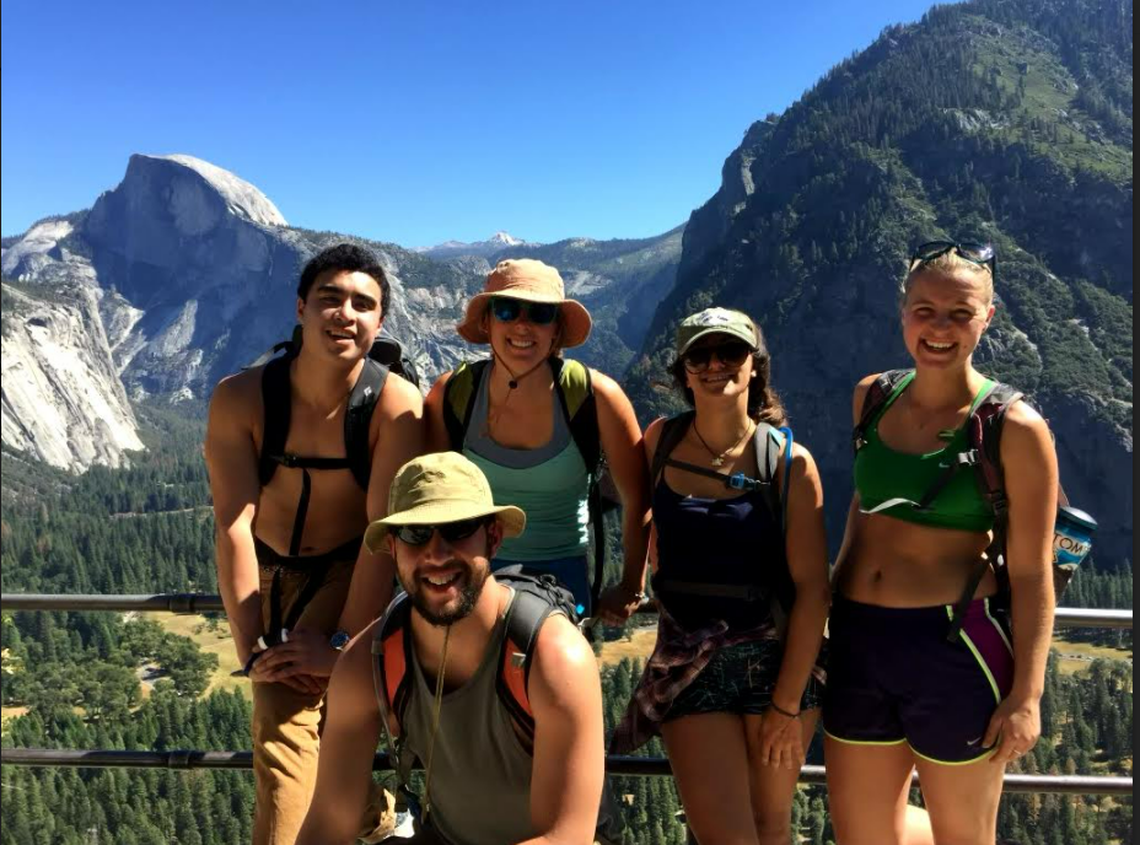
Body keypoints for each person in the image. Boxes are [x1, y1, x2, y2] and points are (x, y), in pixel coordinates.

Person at [824, 241, 1058, 845]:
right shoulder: (872, 397)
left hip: (956, 645)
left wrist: (1027, 696)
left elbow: (1032, 573)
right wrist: (829, 606)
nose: (939, 328)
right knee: (862, 836)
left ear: (988, 317)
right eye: (925, 310)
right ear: (903, 311)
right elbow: (864, 505)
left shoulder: (1014, 427)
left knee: (964, 836)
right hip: (858, 640)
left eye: (960, 313)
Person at [205, 243, 424, 845]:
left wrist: (341, 646)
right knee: (288, 697)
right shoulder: (241, 398)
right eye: (330, 298)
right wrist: (252, 645)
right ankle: (377, 816)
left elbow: (381, 537)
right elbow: (232, 524)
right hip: (264, 568)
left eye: (363, 304)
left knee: (283, 726)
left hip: (346, 570)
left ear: (380, 321)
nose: (345, 313)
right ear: (300, 308)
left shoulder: (395, 407)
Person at [296, 451, 605, 845]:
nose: (437, 554)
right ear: (393, 547)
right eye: (415, 534)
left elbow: (564, 837)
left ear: (493, 537)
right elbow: (328, 822)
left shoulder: (552, 657)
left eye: (458, 529)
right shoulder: (369, 661)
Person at [611, 307, 830, 845]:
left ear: (755, 366)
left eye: (730, 352)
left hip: (776, 665)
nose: (715, 365)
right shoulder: (660, 441)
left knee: (771, 828)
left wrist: (786, 704)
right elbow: (639, 512)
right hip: (688, 662)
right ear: (683, 372)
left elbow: (813, 591)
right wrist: (632, 581)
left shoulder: (790, 463)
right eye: (699, 356)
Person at [424, 258, 650, 621]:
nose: (522, 324)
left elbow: (638, 498)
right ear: (487, 322)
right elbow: (431, 501)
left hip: (563, 581)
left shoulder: (597, 397)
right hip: (468, 575)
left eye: (540, 313)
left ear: (556, 330)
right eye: (507, 309)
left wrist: (631, 587)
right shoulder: (452, 394)